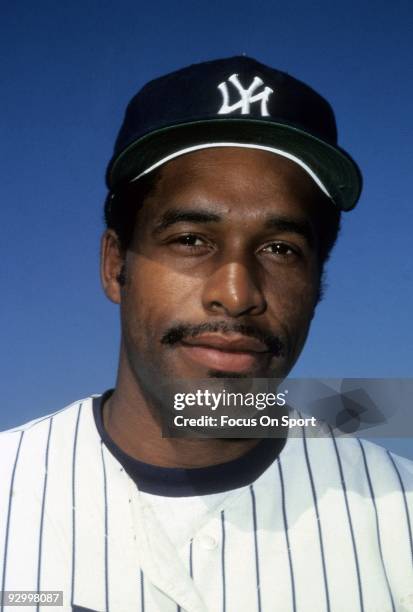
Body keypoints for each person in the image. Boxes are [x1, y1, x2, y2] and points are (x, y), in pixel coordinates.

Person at [0, 56, 412, 612]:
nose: (237, 294)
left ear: (318, 287)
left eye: (281, 249)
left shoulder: (401, 516)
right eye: (191, 240)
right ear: (114, 265)